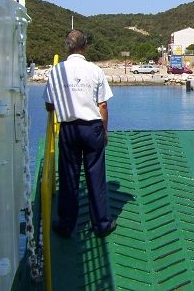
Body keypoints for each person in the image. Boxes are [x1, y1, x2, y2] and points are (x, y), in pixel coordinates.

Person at [43, 30, 116, 238]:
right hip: (92, 128)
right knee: (96, 176)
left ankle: (66, 225)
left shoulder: (57, 71)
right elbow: (102, 106)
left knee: (68, 178)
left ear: (67, 46)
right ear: (85, 46)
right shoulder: (95, 70)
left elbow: (49, 104)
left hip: (68, 129)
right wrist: (104, 131)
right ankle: (101, 224)